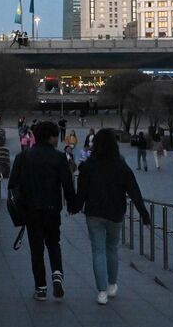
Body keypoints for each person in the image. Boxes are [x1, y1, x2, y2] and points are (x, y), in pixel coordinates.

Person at [71, 129, 152, 305]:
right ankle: (112, 284)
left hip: (94, 213)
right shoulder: (121, 166)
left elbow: (81, 192)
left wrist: (75, 207)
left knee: (98, 250)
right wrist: (144, 215)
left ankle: (101, 292)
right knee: (112, 248)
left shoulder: (88, 166)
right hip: (116, 213)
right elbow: (134, 192)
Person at [8, 121, 77, 301]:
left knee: (36, 250)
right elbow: (68, 186)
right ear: (51, 137)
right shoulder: (59, 157)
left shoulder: (23, 157)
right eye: (56, 136)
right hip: (52, 209)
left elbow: (12, 185)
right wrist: (72, 205)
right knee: (54, 243)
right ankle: (57, 274)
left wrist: (19, 210)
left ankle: (41, 288)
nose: (58, 140)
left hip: (31, 212)